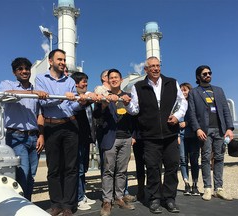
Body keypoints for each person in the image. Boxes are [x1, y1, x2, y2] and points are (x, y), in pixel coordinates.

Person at [123, 56, 187, 214]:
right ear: (146, 69)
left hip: (170, 134)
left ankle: (170, 198)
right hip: (150, 136)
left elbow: (182, 102)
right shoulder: (138, 86)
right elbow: (134, 110)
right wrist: (127, 104)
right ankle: (154, 199)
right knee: (152, 168)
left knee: (172, 166)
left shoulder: (171, 82)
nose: (155, 68)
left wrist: (178, 116)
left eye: (158, 65)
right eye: (152, 66)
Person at [35, 49, 86, 216]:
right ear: (50, 61)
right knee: (54, 168)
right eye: (60, 59)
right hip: (51, 127)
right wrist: (62, 97)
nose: (63, 62)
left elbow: (71, 107)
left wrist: (81, 102)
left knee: (71, 168)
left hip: (70, 125)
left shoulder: (69, 81)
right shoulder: (40, 79)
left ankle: (68, 206)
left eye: (64, 59)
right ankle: (56, 204)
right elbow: (43, 102)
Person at [0, 57, 48, 201]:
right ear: (14, 72)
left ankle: (27, 203)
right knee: (23, 173)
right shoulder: (7, 84)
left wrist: (41, 136)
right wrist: (34, 94)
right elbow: (6, 94)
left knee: (32, 174)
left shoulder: (37, 91)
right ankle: (20, 205)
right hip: (16, 137)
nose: (24, 71)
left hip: (34, 137)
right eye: (20, 69)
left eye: (27, 68)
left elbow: (40, 115)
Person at [188, 65, 234, 201]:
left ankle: (218, 188)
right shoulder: (194, 92)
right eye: (204, 74)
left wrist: (229, 128)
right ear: (198, 77)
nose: (208, 75)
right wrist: (197, 129)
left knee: (219, 157)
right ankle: (207, 188)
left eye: (209, 73)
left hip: (220, 130)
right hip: (204, 130)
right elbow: (191, 113)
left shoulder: (219, 91)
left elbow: (226, 110)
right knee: (206, 158)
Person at [93, 69, 136, 216]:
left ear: (121, 79)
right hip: (110, 137)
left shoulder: (128, 96)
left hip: (126, 138)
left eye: (116, 77)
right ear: (107, 80)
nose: (113, 79)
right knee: (108, 171)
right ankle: (106, 201)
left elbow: (135, 115)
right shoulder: (103, 96)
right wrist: (104, 104)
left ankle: (119, 198)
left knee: (122, 171)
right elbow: (96, 115)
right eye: (111, 77)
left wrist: (133, 136)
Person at [70, 72, 97, 211]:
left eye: (86, 81)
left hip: (85, 138)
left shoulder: (87, 98)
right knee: (78, 169)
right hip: (76, 137)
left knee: (83, 168)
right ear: (75, 83)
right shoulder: (73, 98)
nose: (85, 84)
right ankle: (78, 198)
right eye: (83, 82)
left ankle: (82, 195)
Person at [178, 82, 200, 196]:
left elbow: (198, 117)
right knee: (182, 159)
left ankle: (195, 184)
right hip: (181, 135)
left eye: (185, 90)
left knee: (194, 160)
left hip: (193, 135)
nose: (183, 92)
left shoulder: (194, 104)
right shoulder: (177, 104)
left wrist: (186, 122)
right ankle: (186, 183)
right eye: (181, 90)